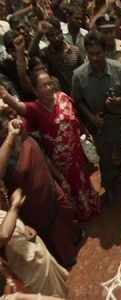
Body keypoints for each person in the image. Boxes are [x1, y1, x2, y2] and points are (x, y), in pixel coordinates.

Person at [0, 71, 101, 221]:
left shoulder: (63, 97)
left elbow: (76, 118)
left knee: (84, 180)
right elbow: (17, 106)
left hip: (77, 152)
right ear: (35, 90)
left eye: (49, 83)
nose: (48, 87)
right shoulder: (35, 108)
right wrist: (4, 95)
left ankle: (92, 206)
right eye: (43, 86)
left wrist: (85, 134)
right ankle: (82, 214)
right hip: (60, 161)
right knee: (70, 186)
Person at [0, 113, 81, 268]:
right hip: (35, 204)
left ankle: (75, 236)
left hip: (51, 187)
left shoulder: (22, 131)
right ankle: (67, 257)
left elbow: (41, 155)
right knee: (54, 233)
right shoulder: (5, 156)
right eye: (4, 125)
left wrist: (58, 177)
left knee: (66, 212)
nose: (10, 124)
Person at [71, 31, 121, 203]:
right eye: (91, 54)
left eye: (98, 53)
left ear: (105, 51)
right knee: (106, 159)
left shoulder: (119, 69)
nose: (95, 58)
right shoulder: (78, 75)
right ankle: (109, 187)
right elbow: (78, 101)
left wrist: (118, 101)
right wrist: (91, 118)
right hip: (100, 127)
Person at [0, 187, 68, 297]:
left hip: (32, 250)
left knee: (58, 290)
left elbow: (4, 213)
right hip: (25, 267)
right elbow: (3, 235)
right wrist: (15, 206)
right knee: (49, 295)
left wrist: (21, 225)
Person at [37, 16, 84, 95]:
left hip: (80, 93)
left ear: (61, 32)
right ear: (47, 37)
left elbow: (84, 73)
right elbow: (31, 53)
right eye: (51, 35)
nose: (56, 38)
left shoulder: (75, 50)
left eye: (58, 33)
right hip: (61, 98)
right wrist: (39, 33)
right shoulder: (46, 54)